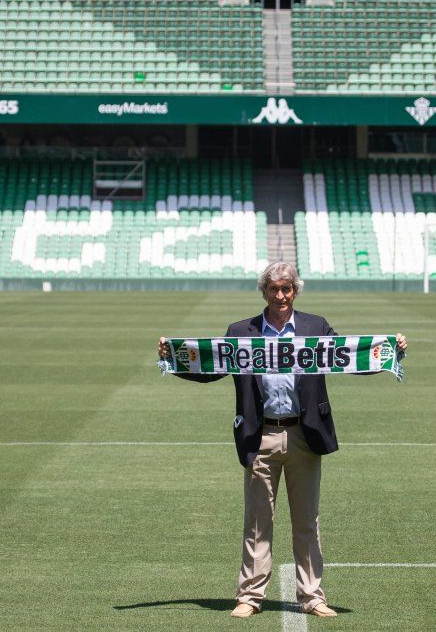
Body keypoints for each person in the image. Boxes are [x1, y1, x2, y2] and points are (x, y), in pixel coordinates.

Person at [158, 262, 407, 618]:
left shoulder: (315, 327)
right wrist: (173, 358)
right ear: (264, 291)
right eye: (273, 288)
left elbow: (349, 356)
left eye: (286, 288)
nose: (280, 295)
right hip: (260, 436)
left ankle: (312, 596)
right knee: (258, 521)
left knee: (307, 521)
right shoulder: (241, 331)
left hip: (304, 435)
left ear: (295, 291)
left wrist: (390, 350)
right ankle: (250, 596)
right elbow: (212, 366)